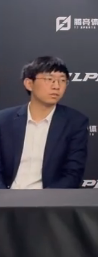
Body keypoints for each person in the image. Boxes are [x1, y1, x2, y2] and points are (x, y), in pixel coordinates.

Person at [0, 56, 88, 189]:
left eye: (62, 80)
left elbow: (72, 174)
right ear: (29, 84)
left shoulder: (75, 122)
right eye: (49, 79)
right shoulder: (4, 120)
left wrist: (45, 199)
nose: (56, 86)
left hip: (49, 199)